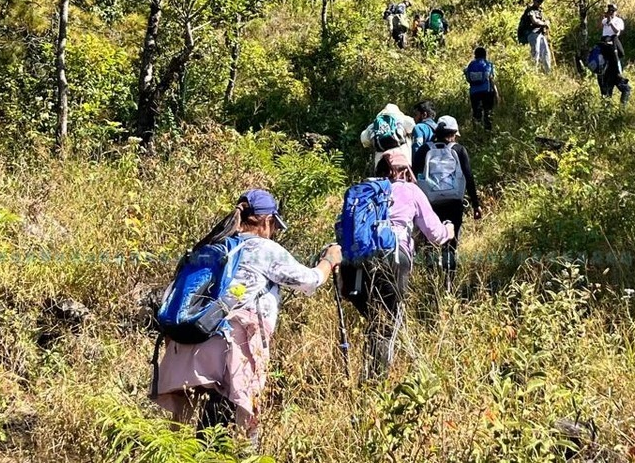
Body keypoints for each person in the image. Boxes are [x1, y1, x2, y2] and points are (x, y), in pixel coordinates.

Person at [155, 190, 341, 441]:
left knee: (180, 438)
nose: (274, 231)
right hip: (232, 348)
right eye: (274, 225)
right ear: (266, 221)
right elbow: (310, 280)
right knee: (243, 430)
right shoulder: (263, 248)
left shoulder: (210, 246)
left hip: (187, 344)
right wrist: (329, 260)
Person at [340, 151, 452, 378]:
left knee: (375, 318)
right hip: (394, 258)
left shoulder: (364, 191)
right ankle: (375, 383)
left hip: (356, 262)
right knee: (387, 322)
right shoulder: (411, 191)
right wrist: (448, 230)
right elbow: (435, 234)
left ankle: (370, 370)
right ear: (404, 171)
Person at [413, 116, 482, 277]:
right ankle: (449, 280)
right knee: (451, 244)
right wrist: (476, 204)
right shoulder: (459, 150)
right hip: (454, 202)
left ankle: (431, 278)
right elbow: (469, 177)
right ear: (453, 133)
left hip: (430, 203)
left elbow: (414, 177)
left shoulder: (424, 150)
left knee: (429, 242)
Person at [360, 102, 416, 170]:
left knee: (382, 178)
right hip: (401, 158)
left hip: (381, 161)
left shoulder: (373, 125)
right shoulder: (402, 120)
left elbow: (364, 139)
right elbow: (413, 127)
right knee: (402, 178)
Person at [463, 47, 499, 132]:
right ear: (485, 55)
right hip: (487, 91)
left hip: (474, 92)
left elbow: (468, 78)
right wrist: (497, 94)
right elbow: (491, 79)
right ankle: (488, 132)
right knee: (488, 113)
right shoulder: (488, 64)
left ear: (475, 55)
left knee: (476, 113)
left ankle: (476, 132)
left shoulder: (471, 64)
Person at [520, 0, 552, 72]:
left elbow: (543, 20)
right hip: (532, 34)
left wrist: (546, 22)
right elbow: (534, 21)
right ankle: (533, 72)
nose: (540, 3)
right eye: (538, 1)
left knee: (546, 52)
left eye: (541, 1)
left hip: (541, 34)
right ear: (534, 1)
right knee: (536, 52)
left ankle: (548, 72)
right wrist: (544, 23)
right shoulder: (530, 10)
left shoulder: (540, 11)